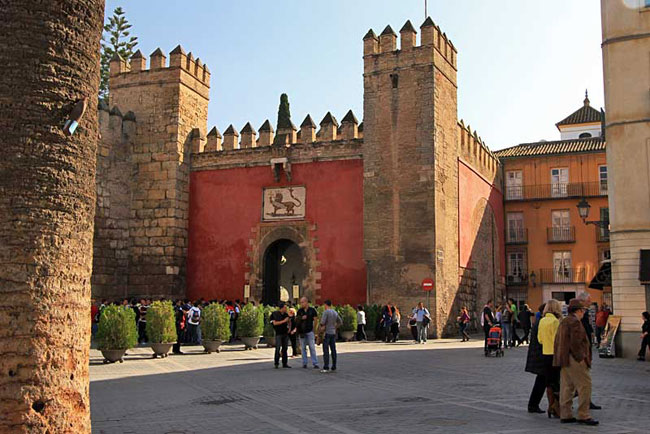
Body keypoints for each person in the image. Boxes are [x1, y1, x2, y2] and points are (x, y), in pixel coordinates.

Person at [554, 299, 598, 426]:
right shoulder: (574, 322)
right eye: (583, 310)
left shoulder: (564, 321)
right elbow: (576, 342)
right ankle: (583, 414)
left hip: (564, 358)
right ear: (578, 310)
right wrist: (582, 357)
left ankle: (566, 414)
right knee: (585, 385)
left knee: (567, 386)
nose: (584, 313)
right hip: (574, 358)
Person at [538, 299, 562, 419]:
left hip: (545, 353)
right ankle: (556, 407)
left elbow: (540, 339)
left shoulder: (542, 321)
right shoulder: (555, 322)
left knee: (549, 383)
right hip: (555, 355)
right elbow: (558, 341)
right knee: (557, 382)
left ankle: (550, 405)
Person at [525, 303, 547, 414]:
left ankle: (533, 405)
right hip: (542, 356)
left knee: (542, 382)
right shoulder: (543, 323)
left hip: (539, 356)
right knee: (542, 382)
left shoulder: (539, 322)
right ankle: (533, 405)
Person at [296, 297, 319, 369]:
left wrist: (314, 329)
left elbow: (315, 320)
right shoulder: (299, 311)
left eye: (302, 302)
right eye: (301, 302)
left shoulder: (312, 310)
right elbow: (296, 320)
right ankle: (304, 363)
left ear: (306, 302)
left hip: (309, 331)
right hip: (302, 332)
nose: (301, 304)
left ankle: (315, 363)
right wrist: (301, 318)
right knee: (303, 348)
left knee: (312, 347)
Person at [320, 300, 342, 373]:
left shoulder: (326, 312)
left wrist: (320, 329)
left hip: (326, 332)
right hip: (333, 332)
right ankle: (334, 366)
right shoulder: (335, 312)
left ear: (326, 305)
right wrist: (335, 327)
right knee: (333, 350)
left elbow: (322, 322)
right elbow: (340, 322)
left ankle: (326, 366)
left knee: (326, 350)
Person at [271, 303, 291, 369]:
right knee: (278, 348)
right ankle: (276, 363)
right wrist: (283, 321)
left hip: (285, 333)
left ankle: (285, 363)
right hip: (278, 333)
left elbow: (289, 321)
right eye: (285, 308)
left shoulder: (286, 314)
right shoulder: (275, 314)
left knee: (285, 348)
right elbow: (275, 323)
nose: (286, 309)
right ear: (281, 308)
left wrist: (290, 328)